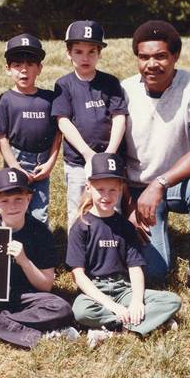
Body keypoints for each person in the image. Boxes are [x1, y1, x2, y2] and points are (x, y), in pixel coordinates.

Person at [122, 20, 190, 300]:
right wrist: (129, 202)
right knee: (156, 272)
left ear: (175, 56)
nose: (151, 64)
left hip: (176, 183)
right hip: (136, 188)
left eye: (160, 56)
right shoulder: (124, 91)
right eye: (144, 57)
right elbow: (113, 152)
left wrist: (160, 183)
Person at [67, 153, 181, 348]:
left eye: (113, 189)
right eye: (100, 189)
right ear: (88, 187)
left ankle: (113, 329)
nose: (106, 195)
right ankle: (145, 324)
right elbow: (79, 275)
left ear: (121, 189)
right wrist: (110, 305)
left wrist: (137, 301)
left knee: (172, 301)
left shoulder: (125, 226)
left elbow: (135, 267)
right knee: (80, 311)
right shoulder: (81, 226)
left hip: (123, 289)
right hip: (95, 291)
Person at [0, 168, 77, 349]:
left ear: (29, 199)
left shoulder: (40, 232)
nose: (12, 206)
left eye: (18, 199)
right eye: (4, 201)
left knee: (61, 308)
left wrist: (24, 261)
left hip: (28, 296)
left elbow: (46, 285)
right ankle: (36, 336)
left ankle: (0, 323)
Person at [52, 20, 127, 231]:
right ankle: (78, 257)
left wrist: (110, 152)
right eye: (78, 51)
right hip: (78, 161)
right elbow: (63, 121)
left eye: (91, 51)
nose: (85, 57)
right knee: (79, 207)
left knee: (110, 206)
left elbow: (119, 116)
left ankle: (112, 252)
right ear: (69, 53)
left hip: (109, 160)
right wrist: (87, 153)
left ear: (100, 53)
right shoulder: (64, 84)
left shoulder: (110, 82)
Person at [0, 34, 62, 223]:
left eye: (31, 64)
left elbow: (58, 134)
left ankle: (39, 249)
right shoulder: (6, 100)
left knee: (40, 212)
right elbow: (1, 137)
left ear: (40, 68)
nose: (24, 70)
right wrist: (15, 167)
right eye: (17, 65)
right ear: (8, 69)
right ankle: (12, 248)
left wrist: (50, 164)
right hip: (16, 159)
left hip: (42, 162)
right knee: (14, 208)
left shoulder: (48, 99)